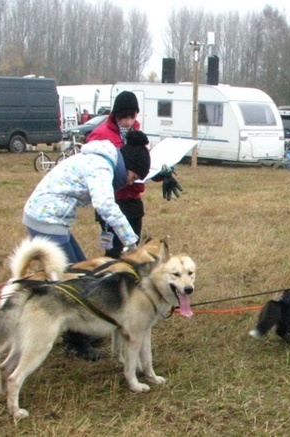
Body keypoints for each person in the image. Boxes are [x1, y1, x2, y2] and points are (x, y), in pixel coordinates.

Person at [22, 135, 149, 360]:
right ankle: (76, 343)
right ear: (126, 167)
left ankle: (83, 330)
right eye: (133, 176)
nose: (130, 182)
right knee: (74, 283)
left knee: (85, 273)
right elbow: (105, 204)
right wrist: (131, 241)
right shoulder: (102, 167)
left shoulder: (101, 160)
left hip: (51, 219)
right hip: (46, 219)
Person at [86, 91, 182, 258]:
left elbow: (143, 165)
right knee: (114, 251)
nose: (129, 121)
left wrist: (162, 174)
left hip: (133, 200)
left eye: (132, 116)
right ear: (116, 114)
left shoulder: (137, 134)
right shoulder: (101, 135)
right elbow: (93, 168)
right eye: (124, 117)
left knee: (133, 249)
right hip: (112, 199)